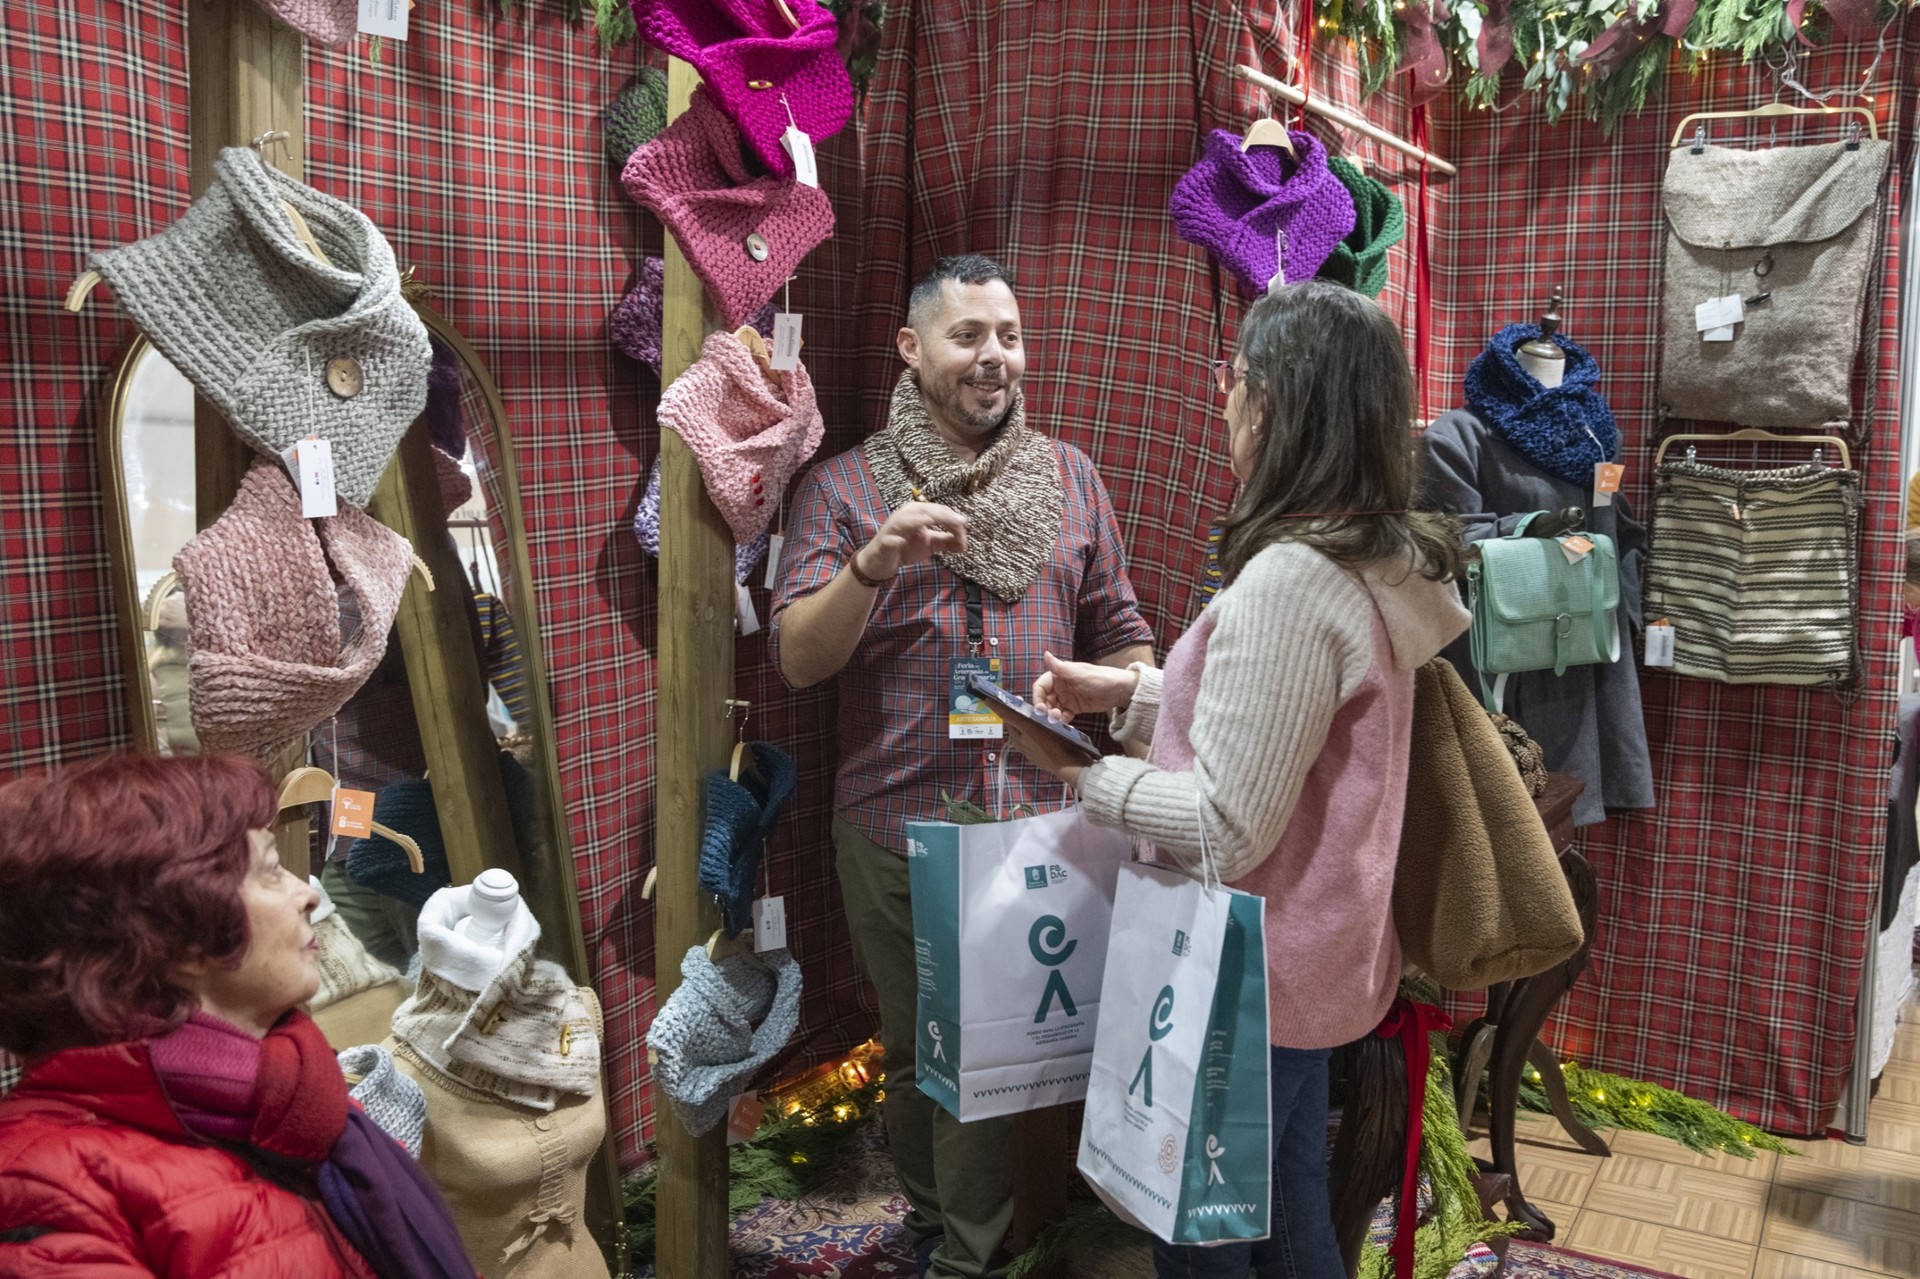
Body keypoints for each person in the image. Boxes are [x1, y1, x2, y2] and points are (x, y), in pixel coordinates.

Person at [1001, 280, 1471, 1279]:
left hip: (1247, 977)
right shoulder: (1376, 557)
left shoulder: (1292, 579)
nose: (1223, 399)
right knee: (1289, 1189)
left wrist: (1079, 773)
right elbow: (1290, 733)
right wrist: (1128, 699)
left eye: (1237, 377)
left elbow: (1223, 827)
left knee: (1204, 1231)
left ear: (1275, 401)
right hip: (1317, 961)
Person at [771, 254, 1154, 1279]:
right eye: (968, 336)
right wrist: (874, 563)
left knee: (1003, 1063)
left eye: (1009, 335)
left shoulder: (1071, 478)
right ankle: (948, 1234)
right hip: (897, 826)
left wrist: (1119, 682)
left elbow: (1125, 629)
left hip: (1044, 824)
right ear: (912, 349)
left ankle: (980, 1250)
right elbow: (798, 658)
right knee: (919, 1054)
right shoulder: (844, 487)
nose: (995, 358)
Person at [0, 753, 475, 1279]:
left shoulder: (296, 1096)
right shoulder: (44, 1186)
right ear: (167, 928)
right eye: (272, 870)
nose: (310, 893)